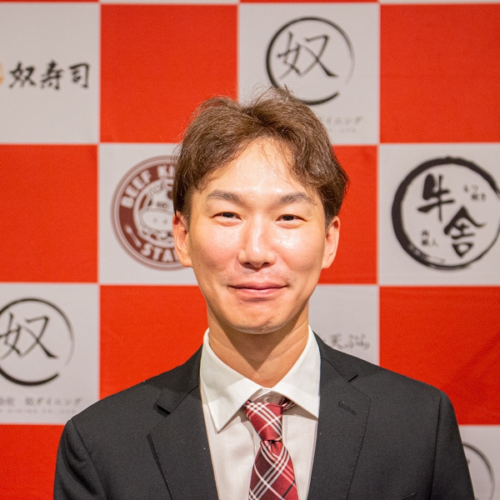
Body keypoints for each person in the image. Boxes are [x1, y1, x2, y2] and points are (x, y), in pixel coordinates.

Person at [54, 88, 474, 500]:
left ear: (329, 240)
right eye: (227, 215)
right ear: (181, 237)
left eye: (288, 216)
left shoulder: (418, 425)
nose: (256, 251)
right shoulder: (101, 446)